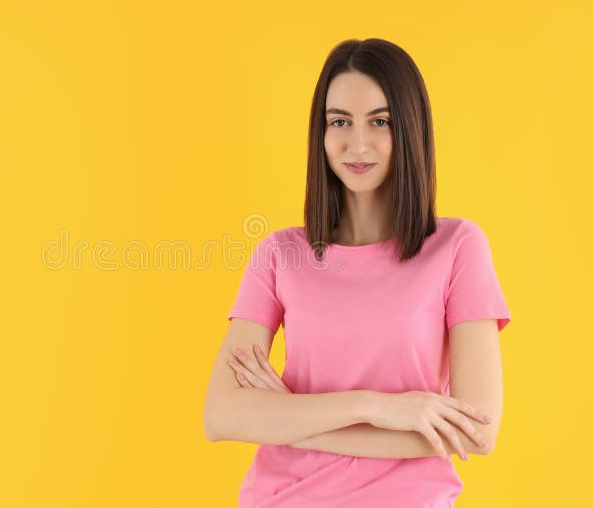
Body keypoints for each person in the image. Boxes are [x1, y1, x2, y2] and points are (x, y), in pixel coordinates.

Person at [203, 38, 511, 507]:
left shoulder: (458, 247)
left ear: (410, 129)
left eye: (381, 122)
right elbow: (221, 414)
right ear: (320, 133)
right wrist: (379, 407)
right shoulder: (280, 254)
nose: (358, 144)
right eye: (340, 122)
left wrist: (290, 422)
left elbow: (475, 431)